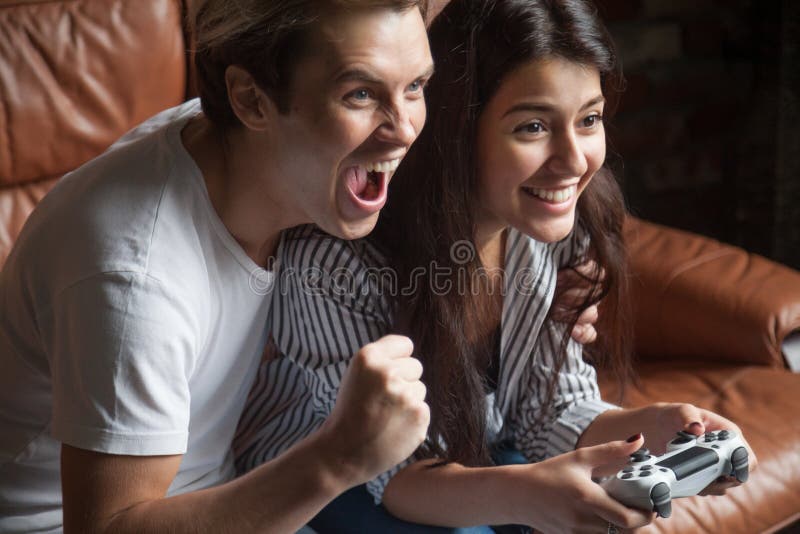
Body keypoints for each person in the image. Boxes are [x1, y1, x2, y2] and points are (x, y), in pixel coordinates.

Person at [235, 0, 758, 532]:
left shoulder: (551, 227)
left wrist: (656, 424)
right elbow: (383, 473)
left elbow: (551, 410)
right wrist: (527, 493)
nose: (575, 161)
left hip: (473, 452)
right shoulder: (335, 258)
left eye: (590, 119)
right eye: (533, 126)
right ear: (456, 130)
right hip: (333, 484)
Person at [0, 1, 436, 532]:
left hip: (229, 489)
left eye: (415, 86)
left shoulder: (277, 155)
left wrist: (565, 274)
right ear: (252, 100)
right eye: (360, 94)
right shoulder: (137, 276)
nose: (405, 129)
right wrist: (337, 458)